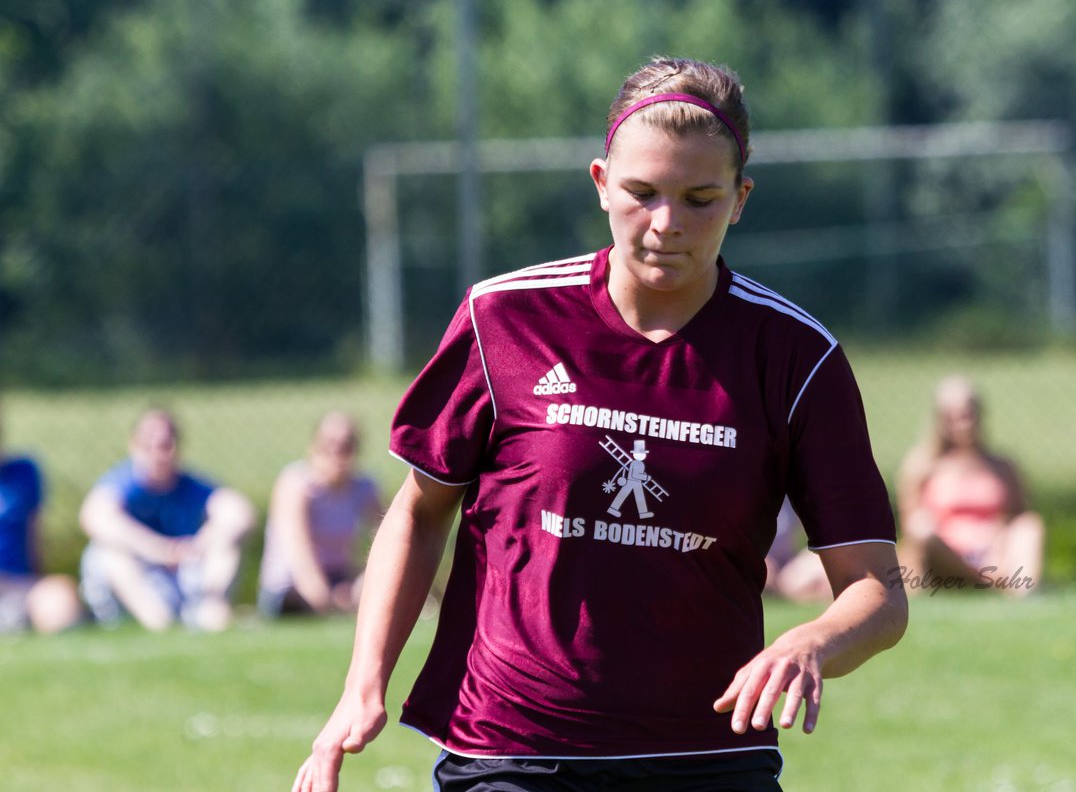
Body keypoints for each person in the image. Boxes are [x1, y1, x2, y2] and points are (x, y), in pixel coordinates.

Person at [293, 57, 907, 792]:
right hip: (513, 750)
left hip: (707, 756)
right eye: (641, 193)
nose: (666, 224)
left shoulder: (795, 356)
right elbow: (421, 515)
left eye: (700, 198)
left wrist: (814, 639)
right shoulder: (503, 320)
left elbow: (877, 591)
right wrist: (362, 688)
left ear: (741, 199)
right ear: (600, 184)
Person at [79, 408, 256, 631]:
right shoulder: (123, 484)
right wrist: (157, 549)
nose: (157, 453)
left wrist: (199, 544)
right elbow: (94, 517)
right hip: (138, 577)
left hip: (183, 574)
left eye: (165, 445)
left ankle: (212, 617)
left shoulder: (189, 485)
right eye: (148, 444)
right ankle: (157, 622)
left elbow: (240, 513)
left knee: (226, 549)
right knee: (111, 552)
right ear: (133, 445)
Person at [895, 375, 1044, 597]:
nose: (965, 422)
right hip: (943, 558)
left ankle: (1025, 593)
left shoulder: (1003, 466)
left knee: (1030, 526)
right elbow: (910, 529)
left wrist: (998, 541)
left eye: (969, 413)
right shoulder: (921, 466)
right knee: (921, 528)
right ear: (940, 420)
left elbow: (1018, 517)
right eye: (954, 416)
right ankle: (987, 580)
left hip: (994, 553)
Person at [257, 412, 382, 618]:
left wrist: (363, 583)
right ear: (314, 447)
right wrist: (325, 600)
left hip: (339, 578)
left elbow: (386, 537)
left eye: (346, 446)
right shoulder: (296, 483)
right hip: (291, 586)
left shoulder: (364, 487)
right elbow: (297, 551)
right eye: (329, 444)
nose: (337, 453)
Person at [0, 402, 83, 634]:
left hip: (20, 585)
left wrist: (38, 581)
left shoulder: (24, 471)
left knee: (62, 603)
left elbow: (34, 535)